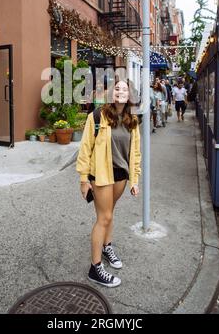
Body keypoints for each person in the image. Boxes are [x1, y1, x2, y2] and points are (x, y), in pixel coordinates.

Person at [76, 79, 141, 288]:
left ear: (130, 95)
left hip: (121, 175)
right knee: (104, 218)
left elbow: (135, 152)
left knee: (109, 213)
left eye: (125, 89)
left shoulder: (132, 120)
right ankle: (95, 268)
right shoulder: (97, 116)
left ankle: (107, 247)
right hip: (102, 174)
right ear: (112, 93)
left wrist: (135, 179)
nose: (121, 92)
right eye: (118, 89)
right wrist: (83, 179)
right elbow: (85, 149)